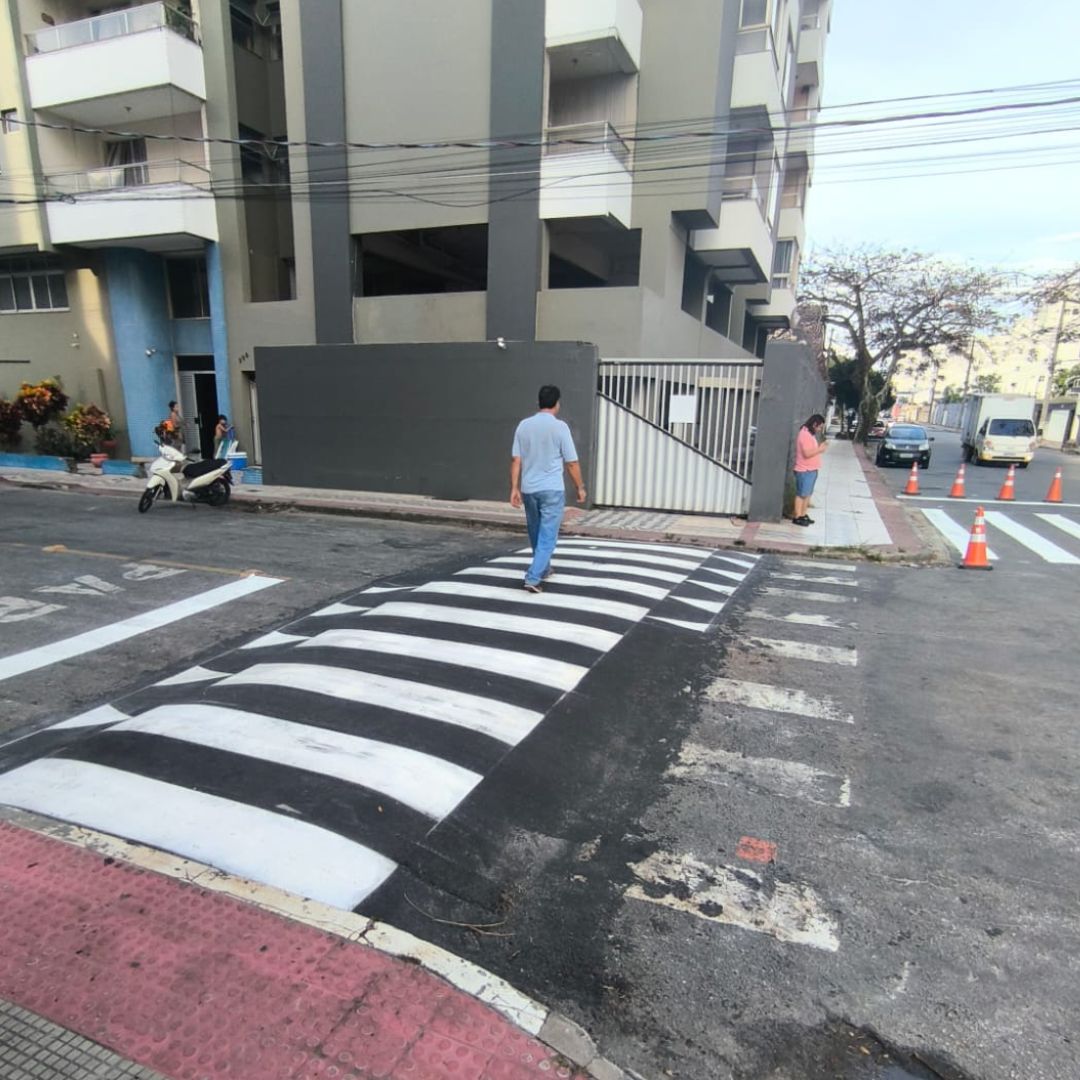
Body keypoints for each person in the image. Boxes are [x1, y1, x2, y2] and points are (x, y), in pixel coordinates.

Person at [510, 385, 587, 593]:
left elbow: (516, 459)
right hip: (551, 489)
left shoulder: (523, 426)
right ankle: (533, 577)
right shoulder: (560, 427)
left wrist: (514, 488)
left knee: (536, 532)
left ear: (539, 402)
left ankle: (542, 568)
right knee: (548, 536)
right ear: (557, 404)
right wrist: (579, 487)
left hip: (529, 489)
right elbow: (572, 463)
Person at [793, 413, 827, 526]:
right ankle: (798, 516)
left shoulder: (810, 434)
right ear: (814, 424)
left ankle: (803, 514)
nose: (819, 429)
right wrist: (820, 449)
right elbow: (807, 453)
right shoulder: (804, 435)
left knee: (807, 494)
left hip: (811, 469)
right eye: (819, 427)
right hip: (804, 470)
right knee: (801, 494)